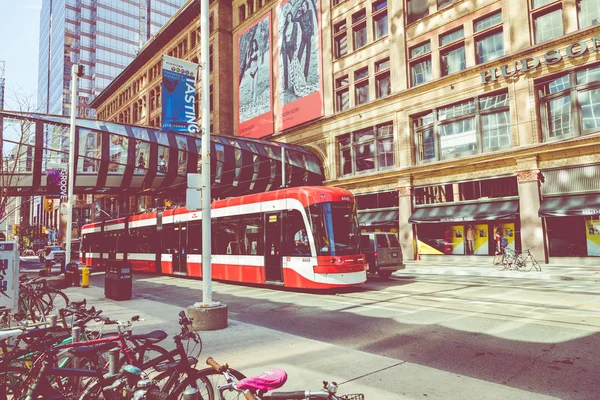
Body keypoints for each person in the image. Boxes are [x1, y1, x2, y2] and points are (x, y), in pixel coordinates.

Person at [293, 0, 314, 80]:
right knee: (299, 55)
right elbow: (293, 19)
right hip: (303, 37)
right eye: (302, 5)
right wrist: (297, 11)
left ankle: (305, 75)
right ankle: (297, 74)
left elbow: (312, 23)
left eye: (305, 5)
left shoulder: (310, 12)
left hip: (309, 34)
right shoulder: (300, 17)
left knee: (308, 56)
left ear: (307, 6)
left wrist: (312, 34)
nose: (304, 6)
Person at [281, 11, 298, 91]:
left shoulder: (294, 25)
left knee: (292, 65)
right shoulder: (285, 27)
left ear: (291, 17)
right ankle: (286, 85)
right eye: (287, 17)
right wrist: (282, 48)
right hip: (285, 47)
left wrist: (294, 45)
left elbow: (295, 36)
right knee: (285, 67)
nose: (288, 18)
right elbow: (283, 39)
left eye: (290, 16)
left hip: (291, 46)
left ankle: (295, 84)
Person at [246, 39, 260, 106]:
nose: (254, 46)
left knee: (255, 88)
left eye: (255, 44)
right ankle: (255, 98)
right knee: (251, 90)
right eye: (253, 45)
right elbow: (247, 62)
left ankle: (254, 103)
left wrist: (258, 69)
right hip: (251, 72)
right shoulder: (250, 53)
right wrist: (247, 54)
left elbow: (258, 61)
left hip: (256, 70)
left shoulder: (257, 52)